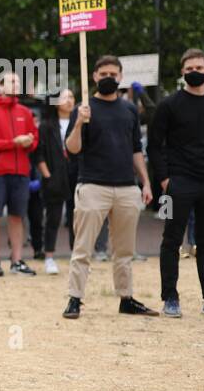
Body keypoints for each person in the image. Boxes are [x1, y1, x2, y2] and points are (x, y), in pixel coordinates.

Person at [63, 55, 158, 319]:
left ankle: (126, 298)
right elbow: (72, 149)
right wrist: (80, 121)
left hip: (127, 187)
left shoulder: (129, 110)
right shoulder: (83, 108)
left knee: (125, 249)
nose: (108, 78)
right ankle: (75, 299)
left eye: (113, 74)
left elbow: (136, 150)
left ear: (120, 77)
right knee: (83, 248)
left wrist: (145, 182)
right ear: (94, 76)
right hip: (92, 186)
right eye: (103, 74)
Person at [149, 48, 204, 317]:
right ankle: (170, 297)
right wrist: (165, 179)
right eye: (189, 69)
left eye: (199, 68)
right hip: (178, 183)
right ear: (182, 72)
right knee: (171, 240)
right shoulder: (168, 105)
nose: (194, 73)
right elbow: (154, 146)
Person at [0, 72, 38, 276]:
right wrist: (14, 143)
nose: (16, 85)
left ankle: (17, 261)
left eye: (18, 82)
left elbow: (34, 139)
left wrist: (29, 141)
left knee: (17, 217)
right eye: (12, 82)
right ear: (0, 87)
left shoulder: (25, 112)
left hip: (21, 172)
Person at [33, 88, 75, 273]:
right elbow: (39, 153)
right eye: (64, 97)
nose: (69, 101)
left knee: (77, 219)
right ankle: (49, 256)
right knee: (53, 218)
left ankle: (77, 257)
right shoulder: (47, 125)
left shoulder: (79, 122)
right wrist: (47, 175)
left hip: (76, 175)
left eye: (72, 97)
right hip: (54, 177)